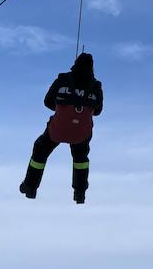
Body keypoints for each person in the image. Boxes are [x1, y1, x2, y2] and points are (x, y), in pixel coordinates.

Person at [20, 53, 103, 204]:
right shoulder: (96, 86)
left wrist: (61, 107)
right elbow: (98, 111)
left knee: (40, 150)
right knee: (81, 158)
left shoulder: (63, 79)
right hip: (81, 134)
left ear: (75, 63)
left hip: (57, 130)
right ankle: (80, 193)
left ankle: (30, 187)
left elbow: (47, 102)